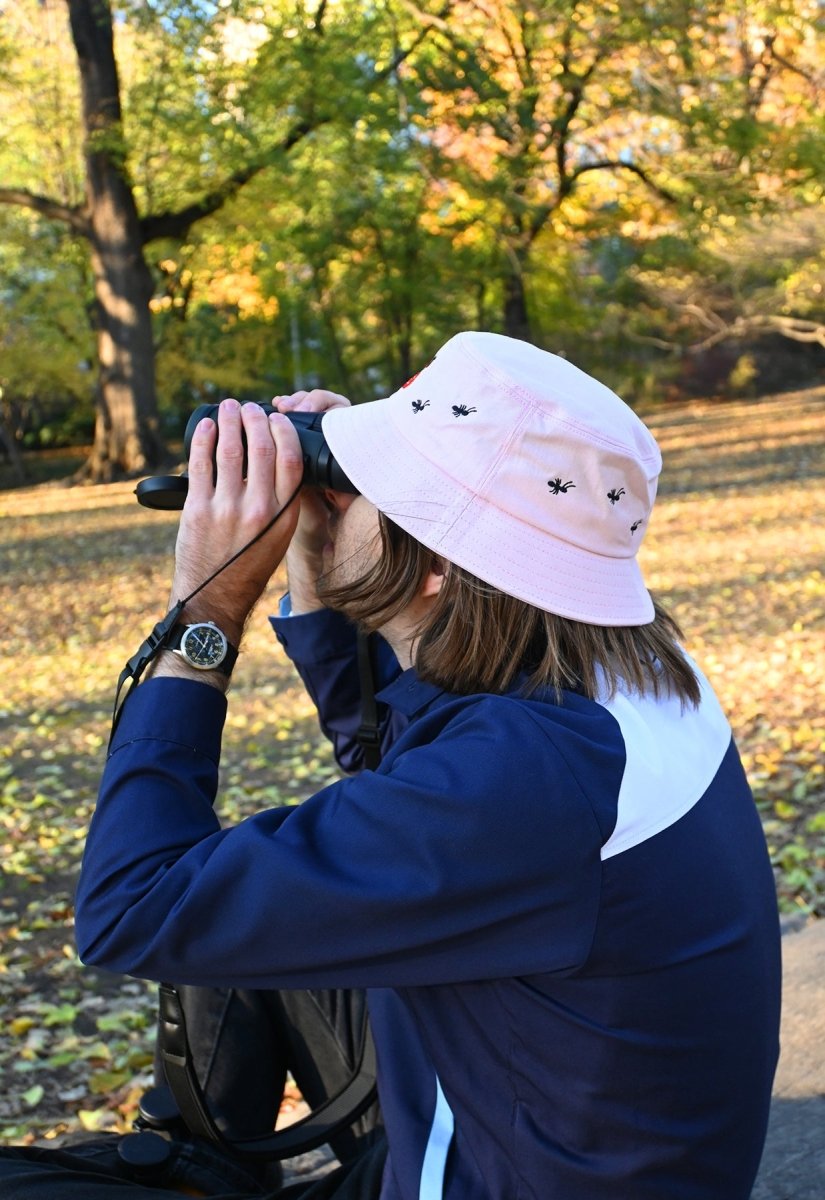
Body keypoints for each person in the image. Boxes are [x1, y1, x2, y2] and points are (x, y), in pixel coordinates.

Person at [0, 332, 781, 1199]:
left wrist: (206, 616)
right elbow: (391, 769)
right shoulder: (612, 675)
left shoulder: (527, 780)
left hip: (495, 1172)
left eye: (361, 485)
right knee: (250, 909)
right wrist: (319, 554)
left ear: (437, 563)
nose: (332, 494)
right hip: (528, 1114)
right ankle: (201, 1169)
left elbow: (131, 909)